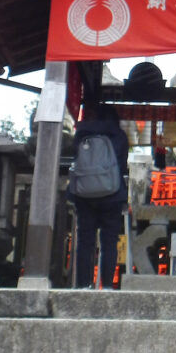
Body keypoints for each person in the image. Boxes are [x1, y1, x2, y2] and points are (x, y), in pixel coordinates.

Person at [70, 103, 129, 289]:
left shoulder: (81, 133)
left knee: (85, 240)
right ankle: (108, 285)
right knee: (109, 241)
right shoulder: (119, 136)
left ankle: (83, 284)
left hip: (84, 193)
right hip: (112, 193)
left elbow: (75, 158)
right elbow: (122, 163)